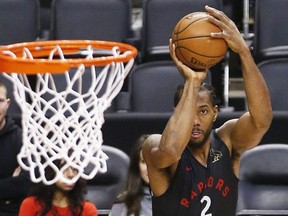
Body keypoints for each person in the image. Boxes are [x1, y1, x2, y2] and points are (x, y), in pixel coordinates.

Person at [142, 5, 272, 216]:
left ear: (215, 112)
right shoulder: (155, 145)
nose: (194, 121)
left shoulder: (228, 142)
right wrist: (192, 81)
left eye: (202, 111)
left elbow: (262, 121)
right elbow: (171, 150)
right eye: (188, 111)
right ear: (177, 112)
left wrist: (243, 52)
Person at [19, 158, 98, 216]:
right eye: (63, 169)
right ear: (50, 171)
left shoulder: (87, 209)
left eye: (74, 169)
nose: (70, 175)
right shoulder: (31, 205)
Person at [0, 80, 31, 215]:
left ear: (7, 104)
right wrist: (11, 183)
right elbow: (17, 185)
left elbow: (27, 184)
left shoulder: (22, 139)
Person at [109, 134, 152, 216]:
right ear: (137, 166)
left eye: (154, 161)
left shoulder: (179, 201)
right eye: (144, 162)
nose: (149, 168)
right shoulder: (123, 203)